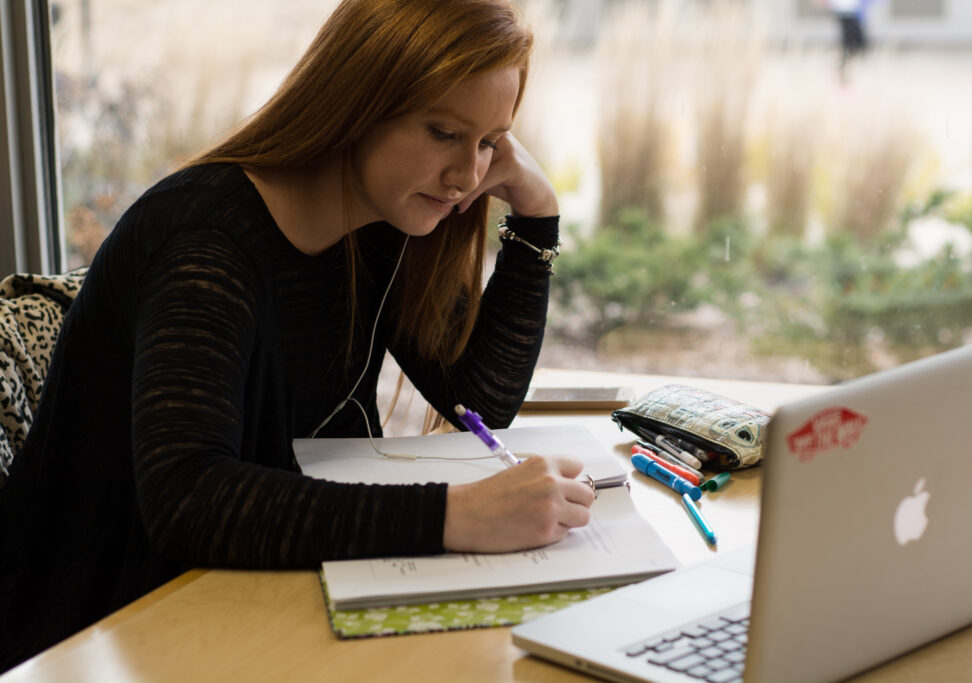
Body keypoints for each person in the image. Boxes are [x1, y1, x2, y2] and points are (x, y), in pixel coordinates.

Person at [0, 0, 595, 671]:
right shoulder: (205, 242)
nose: (468, 176)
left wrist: (538, 215)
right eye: (442, 132)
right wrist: (458, 515)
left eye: (489, 142)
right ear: (356, 102)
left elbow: (476, 397)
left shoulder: (382, 222)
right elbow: (188, 498)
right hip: (102, 632)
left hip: (248, 596)